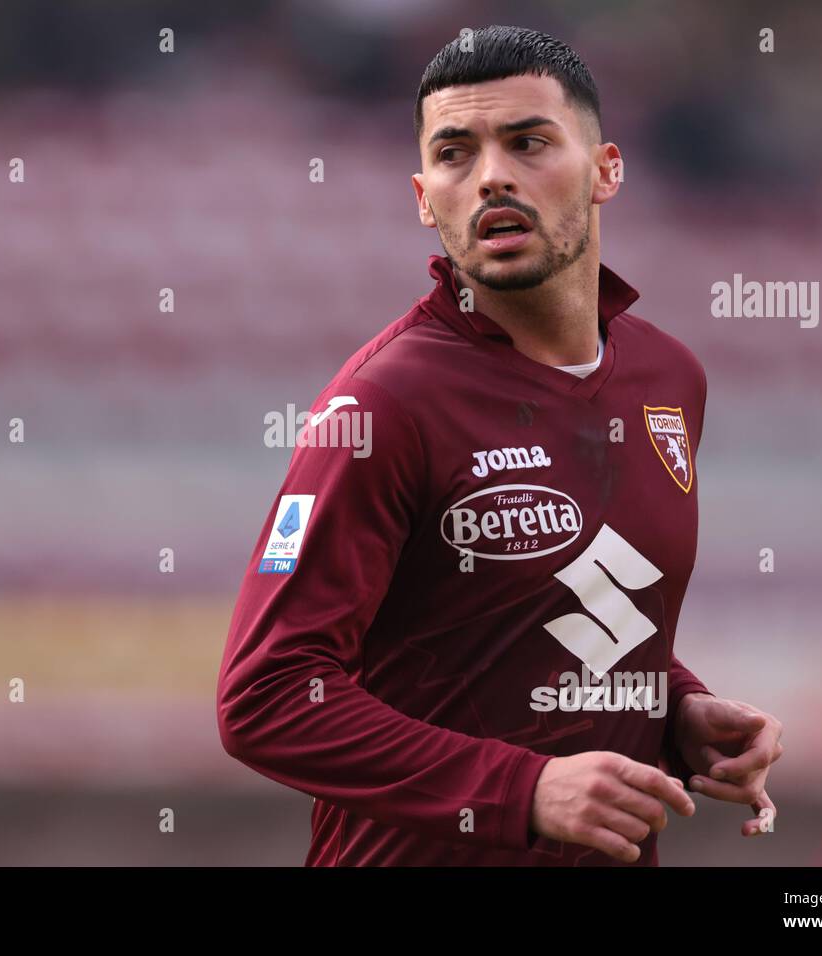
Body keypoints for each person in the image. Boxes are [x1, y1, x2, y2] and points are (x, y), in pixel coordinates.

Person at [217, 25, 783, 865]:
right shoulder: (380, 405)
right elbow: (264, 697)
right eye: (455, 153)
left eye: (528, 143)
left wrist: (676, 709)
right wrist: (521, 792)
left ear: (605, 170)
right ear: (422, 195)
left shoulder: (669, 379)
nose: (491, 177)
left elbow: (534, 624)